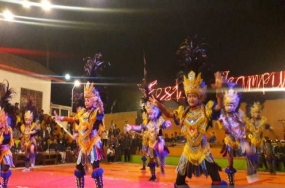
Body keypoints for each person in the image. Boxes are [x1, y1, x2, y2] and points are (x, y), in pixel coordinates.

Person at [151, 71, 226, 187]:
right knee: (179, 181)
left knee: (216, 179)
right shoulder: (183, 112)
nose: (191, 99)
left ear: (199, 97)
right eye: (189, 96)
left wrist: (219, 92)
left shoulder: (205, 110)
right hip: (188, 150)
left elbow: (219, 106)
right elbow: (168, 114)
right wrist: (160, 105)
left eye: (194, 96)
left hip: (203, 150)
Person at [54, 82, 105, 188]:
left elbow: (102, 110)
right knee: (78, 168)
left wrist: (98, 99)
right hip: (84, 144)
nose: (86, 102)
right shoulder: (82, 113)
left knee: (96, 168)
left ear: (93, 100)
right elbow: (73, 119)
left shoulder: (96, 112)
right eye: (85, 100)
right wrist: (61, 118)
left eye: (89, 100)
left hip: (93, 142)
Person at [217, 83, 256, 185]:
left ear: (235, 104)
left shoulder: (239, 114)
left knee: (250, 152)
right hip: (230, 139)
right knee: (230, 160)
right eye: (227, 105)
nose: (229, 107)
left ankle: (252, 172)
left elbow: (244, 125)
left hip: (240, 138)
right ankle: (231, 179)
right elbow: (225, 129)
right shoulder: (223, 116)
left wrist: (245, 133)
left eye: (231, 105)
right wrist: (224, 126)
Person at [125, 101, 172, 181]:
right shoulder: (147, 123)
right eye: (149, 114)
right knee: (151, 159)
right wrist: (131, 127)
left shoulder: (159, 120)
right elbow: (140, 127)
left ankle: (162, 166)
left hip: (158, 140)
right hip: (150, 143)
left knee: (160, 149)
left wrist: (166, 124)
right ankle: (153, 176)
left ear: (156, 112)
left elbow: (167, 124)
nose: (150, 115)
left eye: (152, 113)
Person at [245, 102, 274, 171]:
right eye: (256, 112)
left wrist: (270, 128)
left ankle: (271, 168)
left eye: (259, 112)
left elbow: (267, 125)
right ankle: (254, 168)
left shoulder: (263, 121)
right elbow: (246, 129)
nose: (258, 114)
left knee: (268, 154)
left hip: (261, 140)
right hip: (253, 141)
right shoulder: (250, 122)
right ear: (253, 113)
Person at [0, 108, 14, 188]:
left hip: (5, 148)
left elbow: (10, 141)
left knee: (7, 164)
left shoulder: (9, 129)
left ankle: (5, 182)